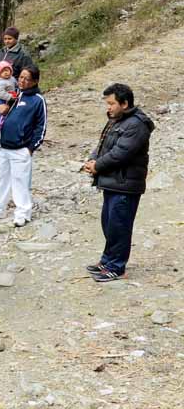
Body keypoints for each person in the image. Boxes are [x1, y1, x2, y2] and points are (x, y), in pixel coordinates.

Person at [82, 84, 153, 282]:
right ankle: (107, 261)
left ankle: (117, 267)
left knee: (120, 225)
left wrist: (98, 166)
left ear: (125, 103)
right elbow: (103, 145)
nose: (109, 107)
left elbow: (121, 153)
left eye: (112, 103)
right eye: (108, 103)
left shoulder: (136, 125)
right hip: (113, 182)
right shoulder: (118, 120)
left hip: (126, 184)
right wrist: (92, 160)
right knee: (109, 223)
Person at [0, 65, 48, 227]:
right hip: (0, 146)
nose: (22, 81)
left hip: (20, 149)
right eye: (21, 77)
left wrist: (30, 148)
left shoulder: (38, 100)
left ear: (35, 81)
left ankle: (23, 212)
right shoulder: (11, 91)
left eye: (27, 79)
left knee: (20, 181)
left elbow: (41, 127)